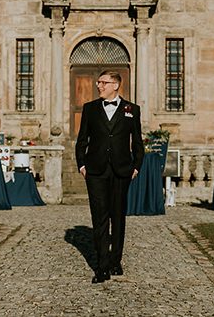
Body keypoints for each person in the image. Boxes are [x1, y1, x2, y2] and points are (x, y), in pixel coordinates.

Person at [75, 69, 145, 283]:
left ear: (116, 85)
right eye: (98, 82)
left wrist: (136, 167)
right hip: (95, 171)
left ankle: (116, 261)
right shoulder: (90, 109)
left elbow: (138, 142)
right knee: (100, 218)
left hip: (122, 171)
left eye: (103, 82)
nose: (99, 86)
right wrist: (81, 165)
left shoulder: (131, 109)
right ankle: (102, 266)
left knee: (118, 217)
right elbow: (82, 140)